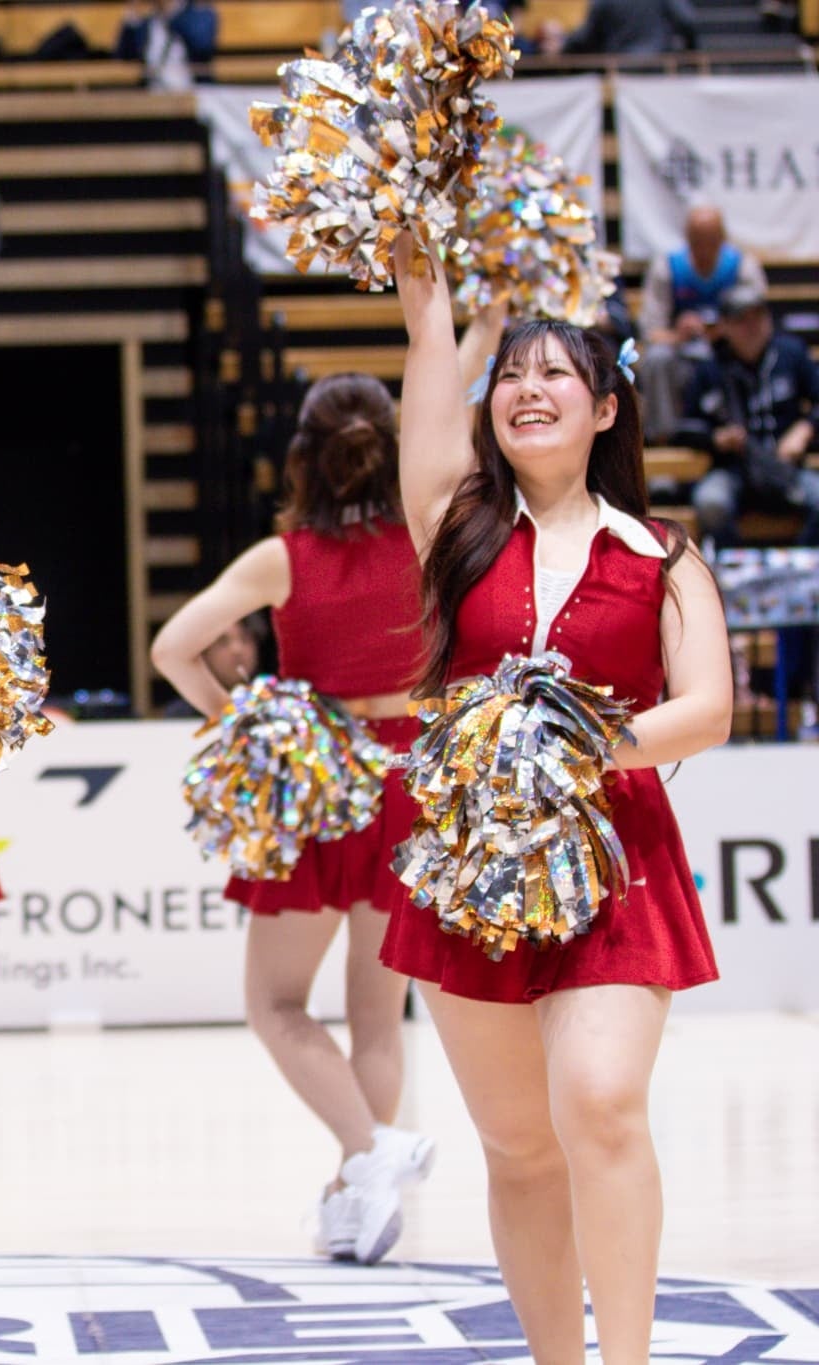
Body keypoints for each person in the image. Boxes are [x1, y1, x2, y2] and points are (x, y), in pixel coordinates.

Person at [385, 229, 730, 1365]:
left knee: (599, 1103)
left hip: (616, 858)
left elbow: (708, 710)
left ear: (605, 409)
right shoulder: (456, 527)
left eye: (556, 376)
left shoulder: (663, 555)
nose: (527, 390)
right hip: (470, 868)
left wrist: (570, 743)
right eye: (511, 377)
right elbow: (426, 384)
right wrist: (425, 289)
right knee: (520, 1149)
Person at [150, 373, 434, 1266]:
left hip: (322, 782)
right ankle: (359, 1196)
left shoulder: (287, 555)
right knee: (378, 1017)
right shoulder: (429, 536)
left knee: (274, 1003)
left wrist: (235, 720)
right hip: (410, 780)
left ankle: (368, 1153)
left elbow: (171, 646)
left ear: (303, 456)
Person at [678, 285, 819, 548]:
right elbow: (686, 427)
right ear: (724, 326)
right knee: (710, 501)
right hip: (733, 468)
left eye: (758, 317)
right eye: (741, 320)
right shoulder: (710, 367)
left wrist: (804, 430)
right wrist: (716, 438)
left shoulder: (791, 353)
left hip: (785, 466)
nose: (752, 327)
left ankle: (800, 562)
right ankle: (731, 565)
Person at [633, 204, 767, 442]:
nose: (704, 247)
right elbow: (650, 332)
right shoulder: (667, 268)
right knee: (657, 358)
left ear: (722, 238)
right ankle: (666, 439)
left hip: (729, 354)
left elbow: (761, 327)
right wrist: (679, 334)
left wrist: (724, 331)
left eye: (711, 240)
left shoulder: (743, 267)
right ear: (687, 238)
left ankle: (747, 431)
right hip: (682, 353)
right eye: (698, 240)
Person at [157, 616, 262, 719]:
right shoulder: (181, 714)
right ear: (203, 652)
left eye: (245, 639)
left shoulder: (266, 702)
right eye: (223, 642)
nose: (237, 649)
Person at [113, 0, 216, 91]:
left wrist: (170, 14)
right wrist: (132, 18)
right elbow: (124, 56)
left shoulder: (199, 12)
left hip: (190, 89)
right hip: (153, 92)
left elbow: (202, 45)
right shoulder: (147, 23)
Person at [539, 0, 697, 56]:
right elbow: (687, 21)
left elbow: (586, 36)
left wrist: (564, 45)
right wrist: (691, 50)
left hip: (618, 71)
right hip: (659, 68)